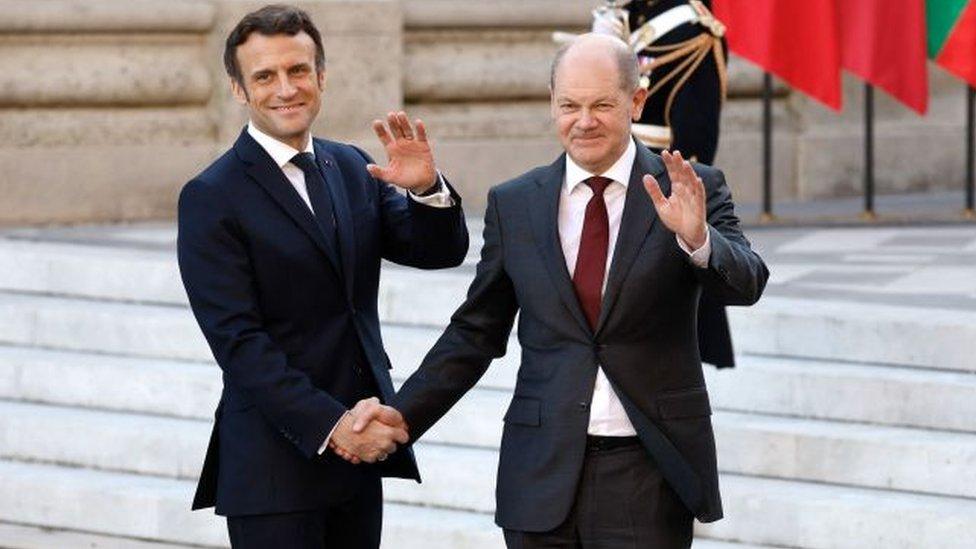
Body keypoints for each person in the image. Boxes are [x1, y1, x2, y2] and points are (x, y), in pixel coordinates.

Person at [349, 34, 767, 547]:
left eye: (601, 105)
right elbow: (475, 333)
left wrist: (697, 238)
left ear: (636, 102)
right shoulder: (516, 203)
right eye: (569, 104)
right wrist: (401, 412)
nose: (583, 120)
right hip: (540, 472)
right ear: (552, 104)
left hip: (649, 472)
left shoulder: (689, 186)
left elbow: (747, 284)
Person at [176, 4, 468, 548]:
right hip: (276, 467)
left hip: (360, 457)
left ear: (321, 77)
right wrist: (332, 428)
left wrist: (427, 190)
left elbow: (436, 252)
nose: (285, 88)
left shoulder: (352, 166)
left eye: (298, 71)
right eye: (264, 76)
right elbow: (239, 344)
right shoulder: (211, 197)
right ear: (240, 90)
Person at [589, 0, 737, 369]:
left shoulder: (695, 32)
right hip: (602, 177)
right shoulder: (625, 18)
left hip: (653, 189)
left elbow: (695, 144)